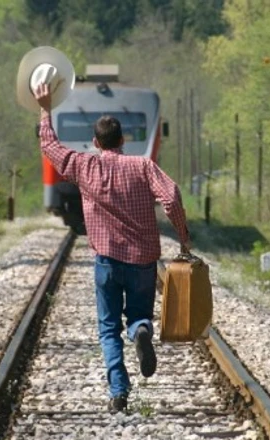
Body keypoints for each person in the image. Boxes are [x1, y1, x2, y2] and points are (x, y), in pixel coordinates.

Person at [34, 82, 191, 414]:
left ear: (95, 142)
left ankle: (119, 393)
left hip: (106, 260)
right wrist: (183, 237)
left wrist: (45, 108)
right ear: (123, 141)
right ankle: (142, 331)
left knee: (108, 330)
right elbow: (172, 196)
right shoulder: (142, 166)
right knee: (138, 316)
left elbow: (50, 146)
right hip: (143, 260)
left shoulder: (84, 165)